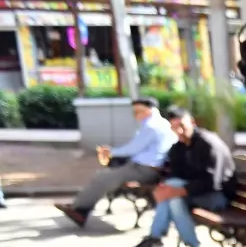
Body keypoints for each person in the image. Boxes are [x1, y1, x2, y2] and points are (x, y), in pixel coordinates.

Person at [126, 107, 236, 247]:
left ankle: (171, 241)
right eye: (174, 128)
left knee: (174, 199)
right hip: (194, 192)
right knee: (171, 194)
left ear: (192, 122)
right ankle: (167, 240)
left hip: (218, 196)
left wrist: (176, 191)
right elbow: (175, 174)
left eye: (182, 126)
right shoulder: (179, 147)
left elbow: (212, 182)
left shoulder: (208, 144)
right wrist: (163, 188)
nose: (179, 132)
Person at [54, 97, 175, 227]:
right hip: (145, 167)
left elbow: (133, 148)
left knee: (102, 177)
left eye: (138, 111)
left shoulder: (152, 126)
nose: (135, 115)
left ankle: (79, 210)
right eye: (134, 112)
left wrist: (111, 152)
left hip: (145, 169)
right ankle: (80, 208)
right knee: (105, 176)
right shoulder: (159, 124)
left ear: (150, 110)